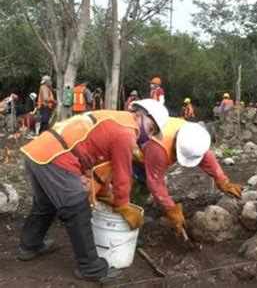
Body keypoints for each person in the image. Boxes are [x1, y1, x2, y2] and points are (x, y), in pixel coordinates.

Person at [18, 99, 169, 283]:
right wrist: (123, 206)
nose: (149, 135)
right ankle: (91, 268)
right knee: (77, 209)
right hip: (57, 159)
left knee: (46, 203)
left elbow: (99, 164)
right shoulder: (126, 132)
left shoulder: (114, 119)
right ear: (139, 115)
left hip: (39, 152)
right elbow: (123, 175)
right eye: (151, 129)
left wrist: (104, 192)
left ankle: (30, 245)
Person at [136, 119, 242, 238]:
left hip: (151, 151)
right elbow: (155, 183)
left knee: (145, 186)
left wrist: (223, 181)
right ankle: (129, 224)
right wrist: (171, 209)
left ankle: (140, 209)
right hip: (133, 153)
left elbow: (206, 157)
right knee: (133, 186)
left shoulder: (191, 136)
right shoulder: (159, 148)